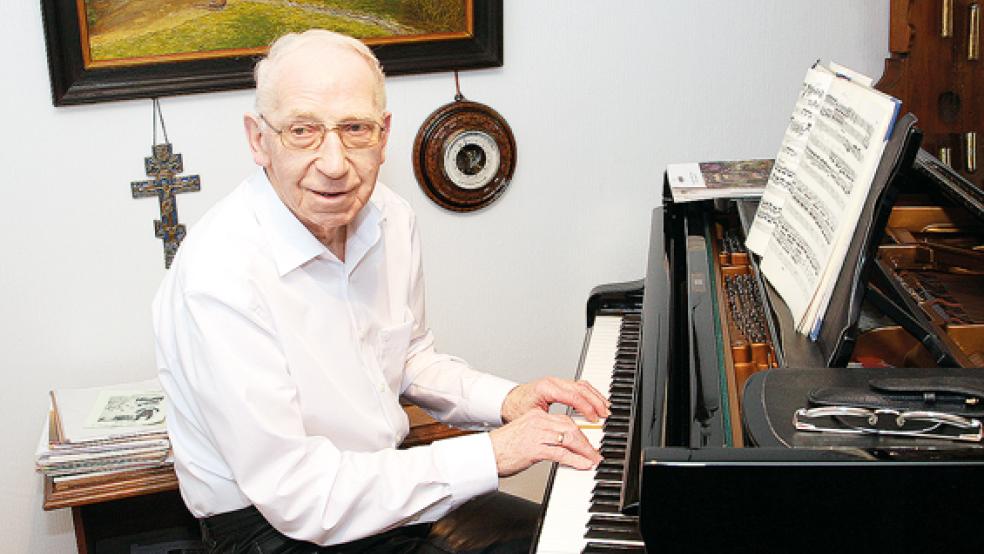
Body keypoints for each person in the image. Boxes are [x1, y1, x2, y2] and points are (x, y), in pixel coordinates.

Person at [153, 29, 607, 553]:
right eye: (303, 130)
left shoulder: (390, 217)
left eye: (355, 129)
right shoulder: (219, 275)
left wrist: (508, 399)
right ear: (259, 139)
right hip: (278, 527)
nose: (334, 162)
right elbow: (304, 498)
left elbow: (409, 357)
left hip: (385, 485)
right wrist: (492, 454)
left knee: (580, 538)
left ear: (384, 134)